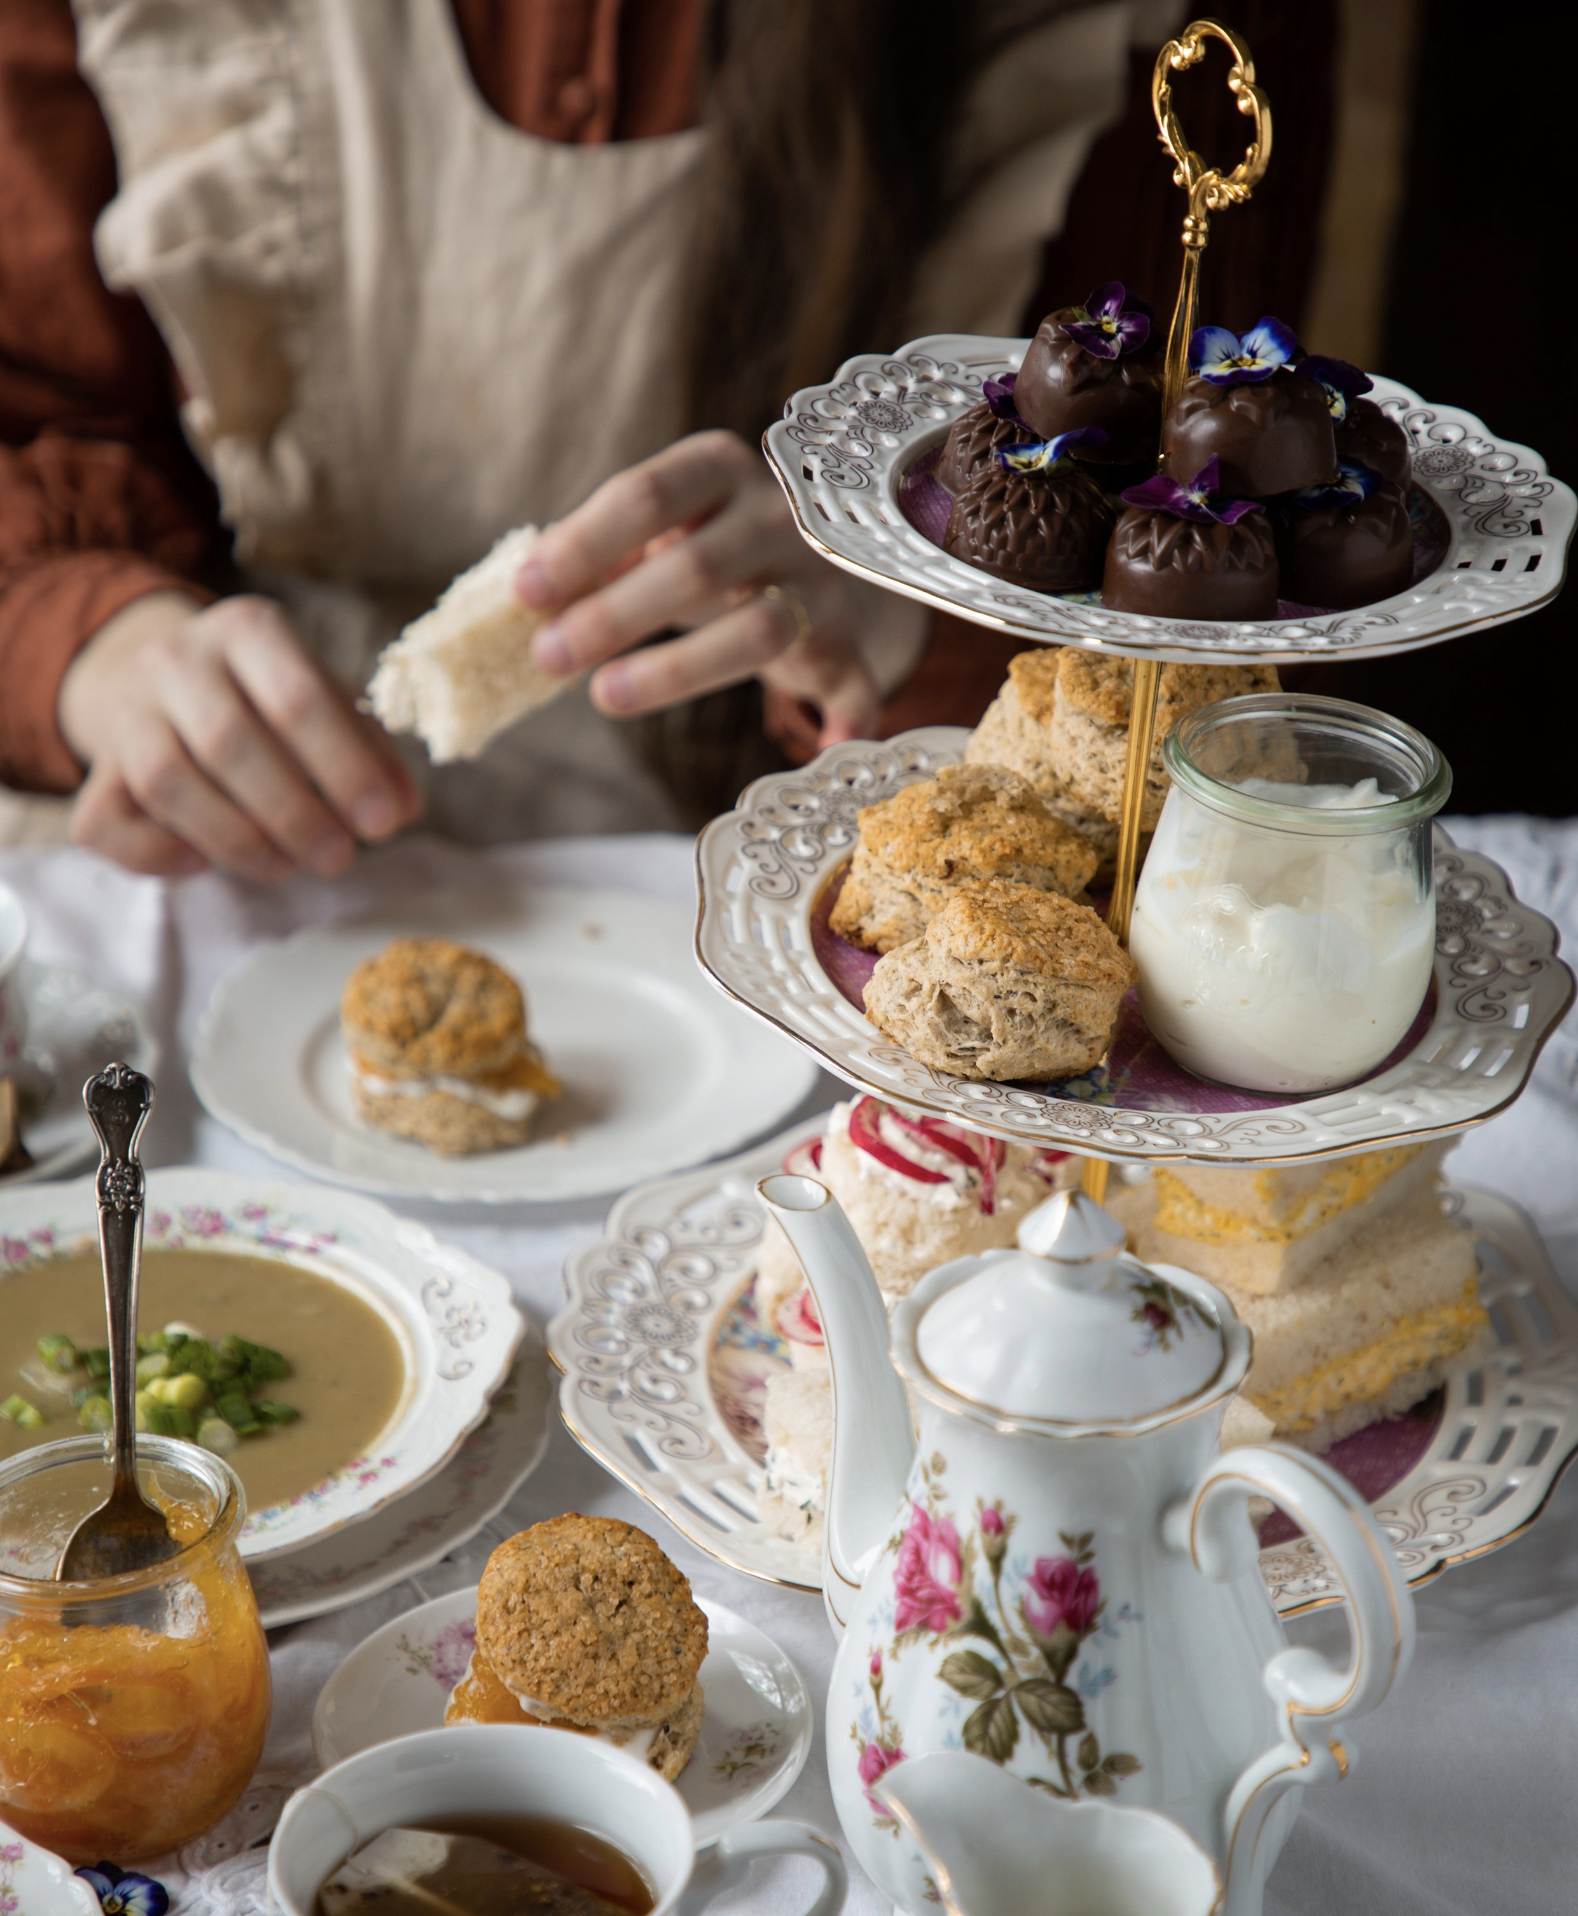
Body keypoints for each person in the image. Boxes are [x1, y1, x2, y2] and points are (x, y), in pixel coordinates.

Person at [0, 0, 1334, 880]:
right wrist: (91, 641)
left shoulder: (1124, 49)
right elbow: (36, 405)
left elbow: (1176, 619)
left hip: (778, 866)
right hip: (219, 847)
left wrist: (917, 602)